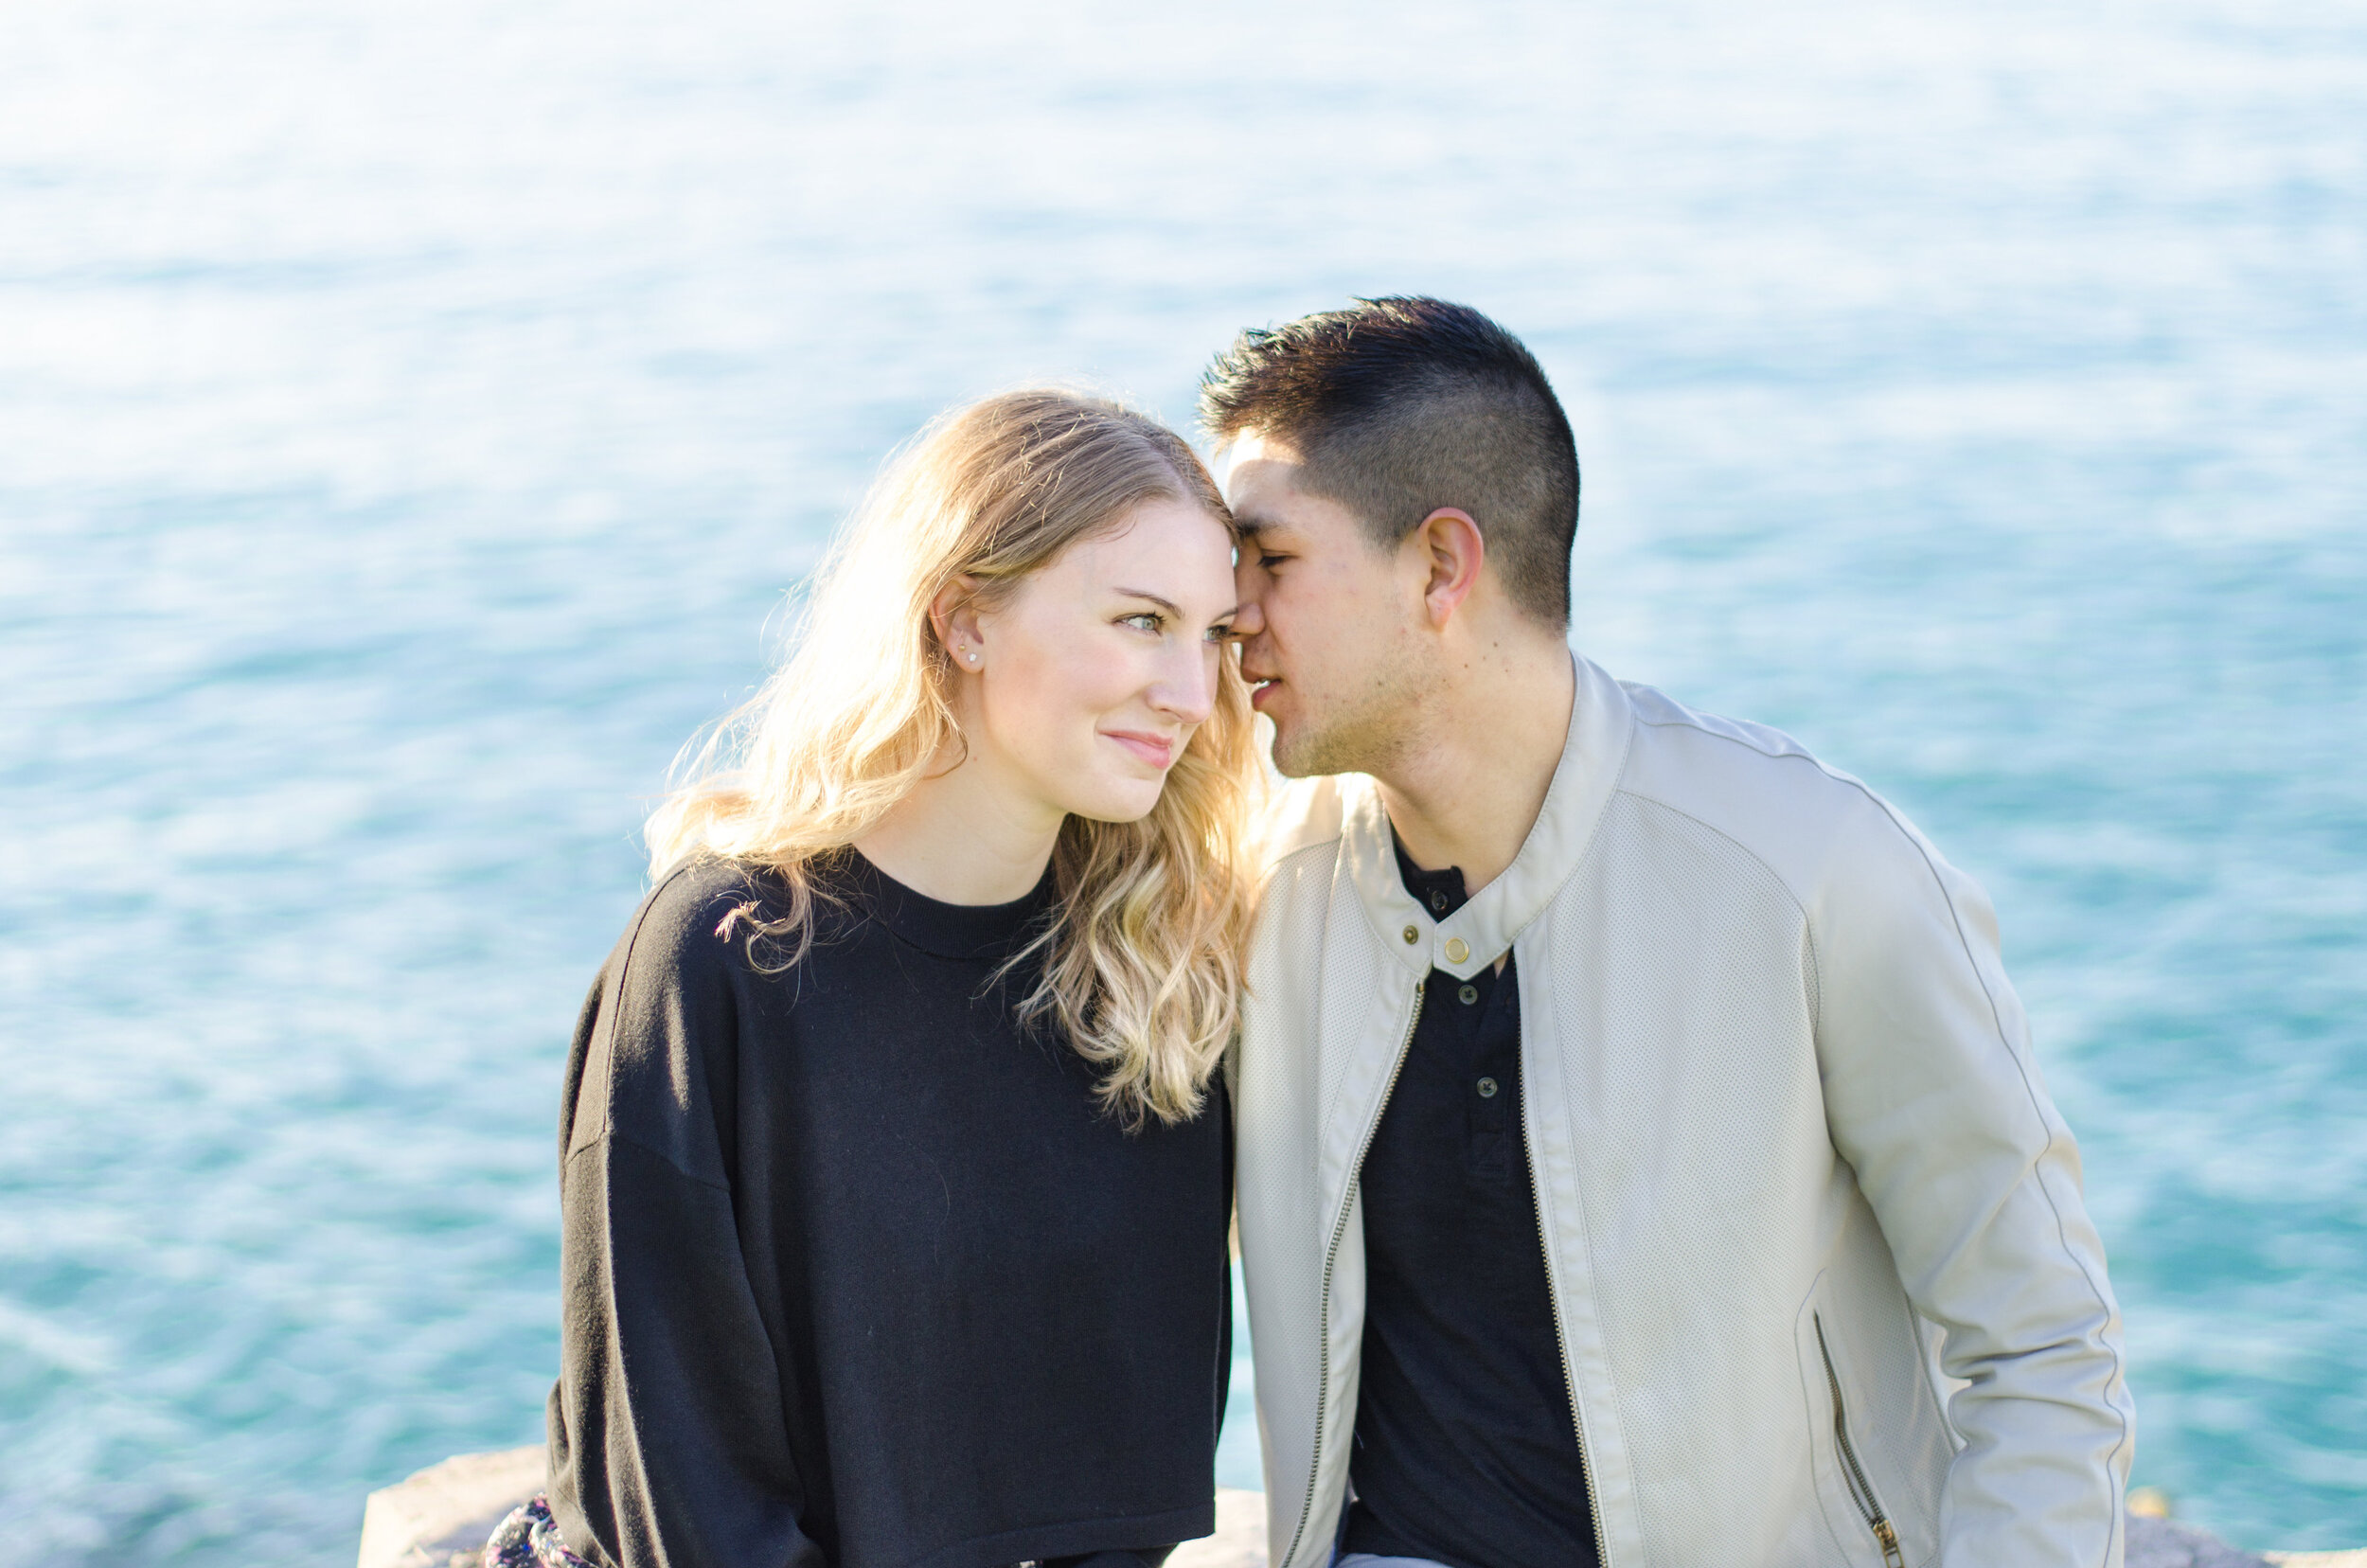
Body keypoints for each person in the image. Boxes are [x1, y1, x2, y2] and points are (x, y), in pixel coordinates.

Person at [1208, 298, 2134, 1568]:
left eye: (1270, 559)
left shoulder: (1809, 869)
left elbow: (2040, 1343)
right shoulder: (1256, 897)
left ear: (1439, 565)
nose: (1226, 612)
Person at [490, 389, 1257, 1568]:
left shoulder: (1159, 976)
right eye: (1142, 620)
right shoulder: (721, 961)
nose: (1191, 694)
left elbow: (1127, 1477)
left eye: (1212, 635)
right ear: (963, 621)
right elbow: (677, 1496)